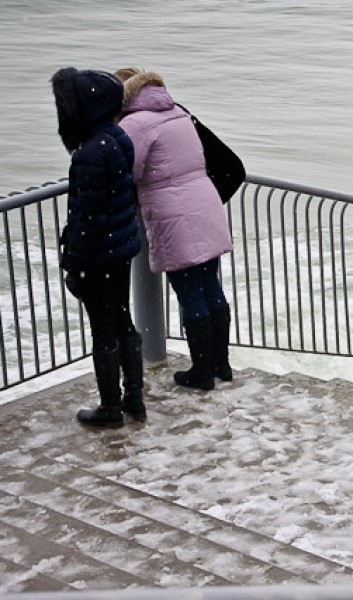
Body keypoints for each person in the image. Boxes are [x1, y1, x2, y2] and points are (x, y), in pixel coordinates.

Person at [114, 68, 234, 391]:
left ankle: (201, 371)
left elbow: (130, 169)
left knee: (190, 292)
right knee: (211, 286)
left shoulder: (134, 125)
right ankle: (221, 364)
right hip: (204, 203)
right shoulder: (177, 112)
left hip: (173, 213)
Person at [51, 67, 145, 426]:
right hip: (119, 249)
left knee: (103, 329)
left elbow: (86, 217)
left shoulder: (90, 152)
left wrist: (74, 261)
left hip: (99, 254)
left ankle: (110, 408)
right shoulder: (118, 137)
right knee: (122, 319)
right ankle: (133, 397)